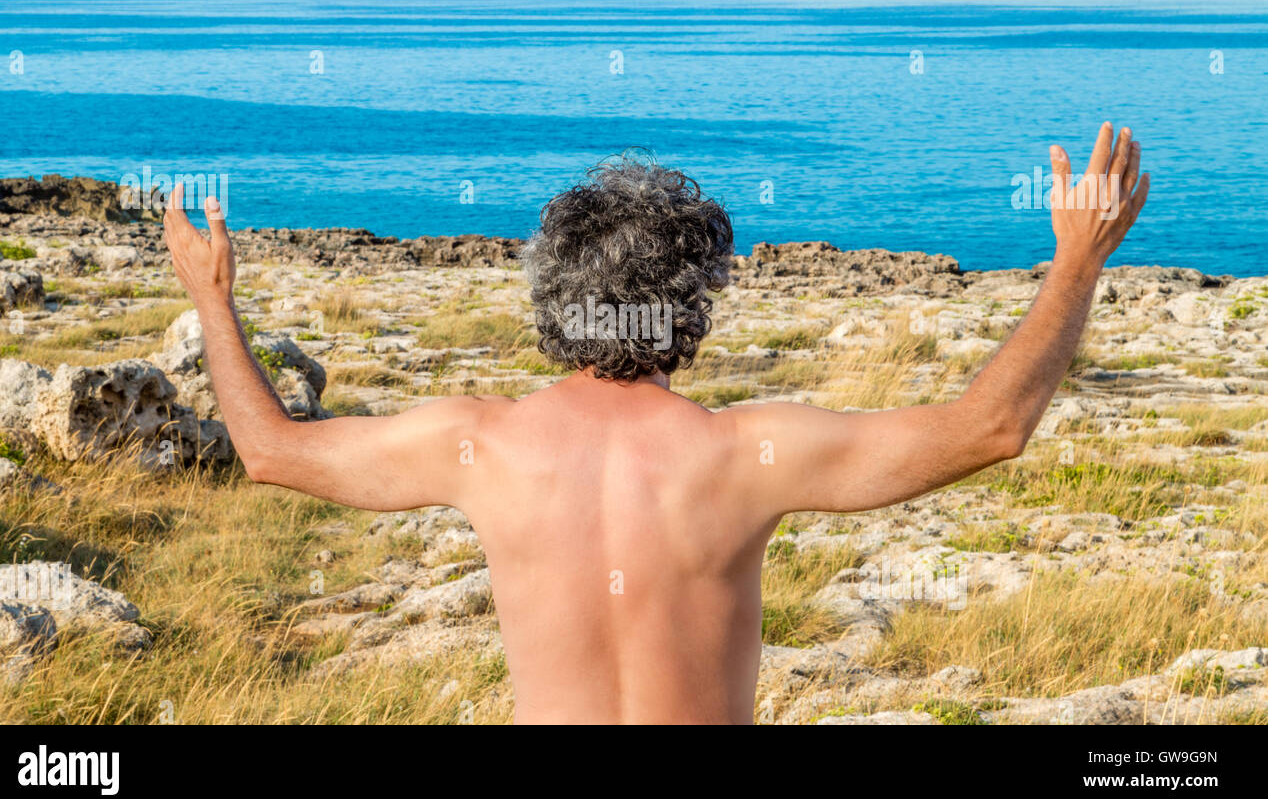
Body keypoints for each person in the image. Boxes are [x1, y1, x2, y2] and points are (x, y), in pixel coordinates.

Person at [162, 122, 1148, 724]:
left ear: (554, 295)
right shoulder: (743, 454)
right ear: (695, 301)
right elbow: (989, 427)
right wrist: (1073, 262)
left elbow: (270, 450)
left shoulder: (478, 444)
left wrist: (213, 297)